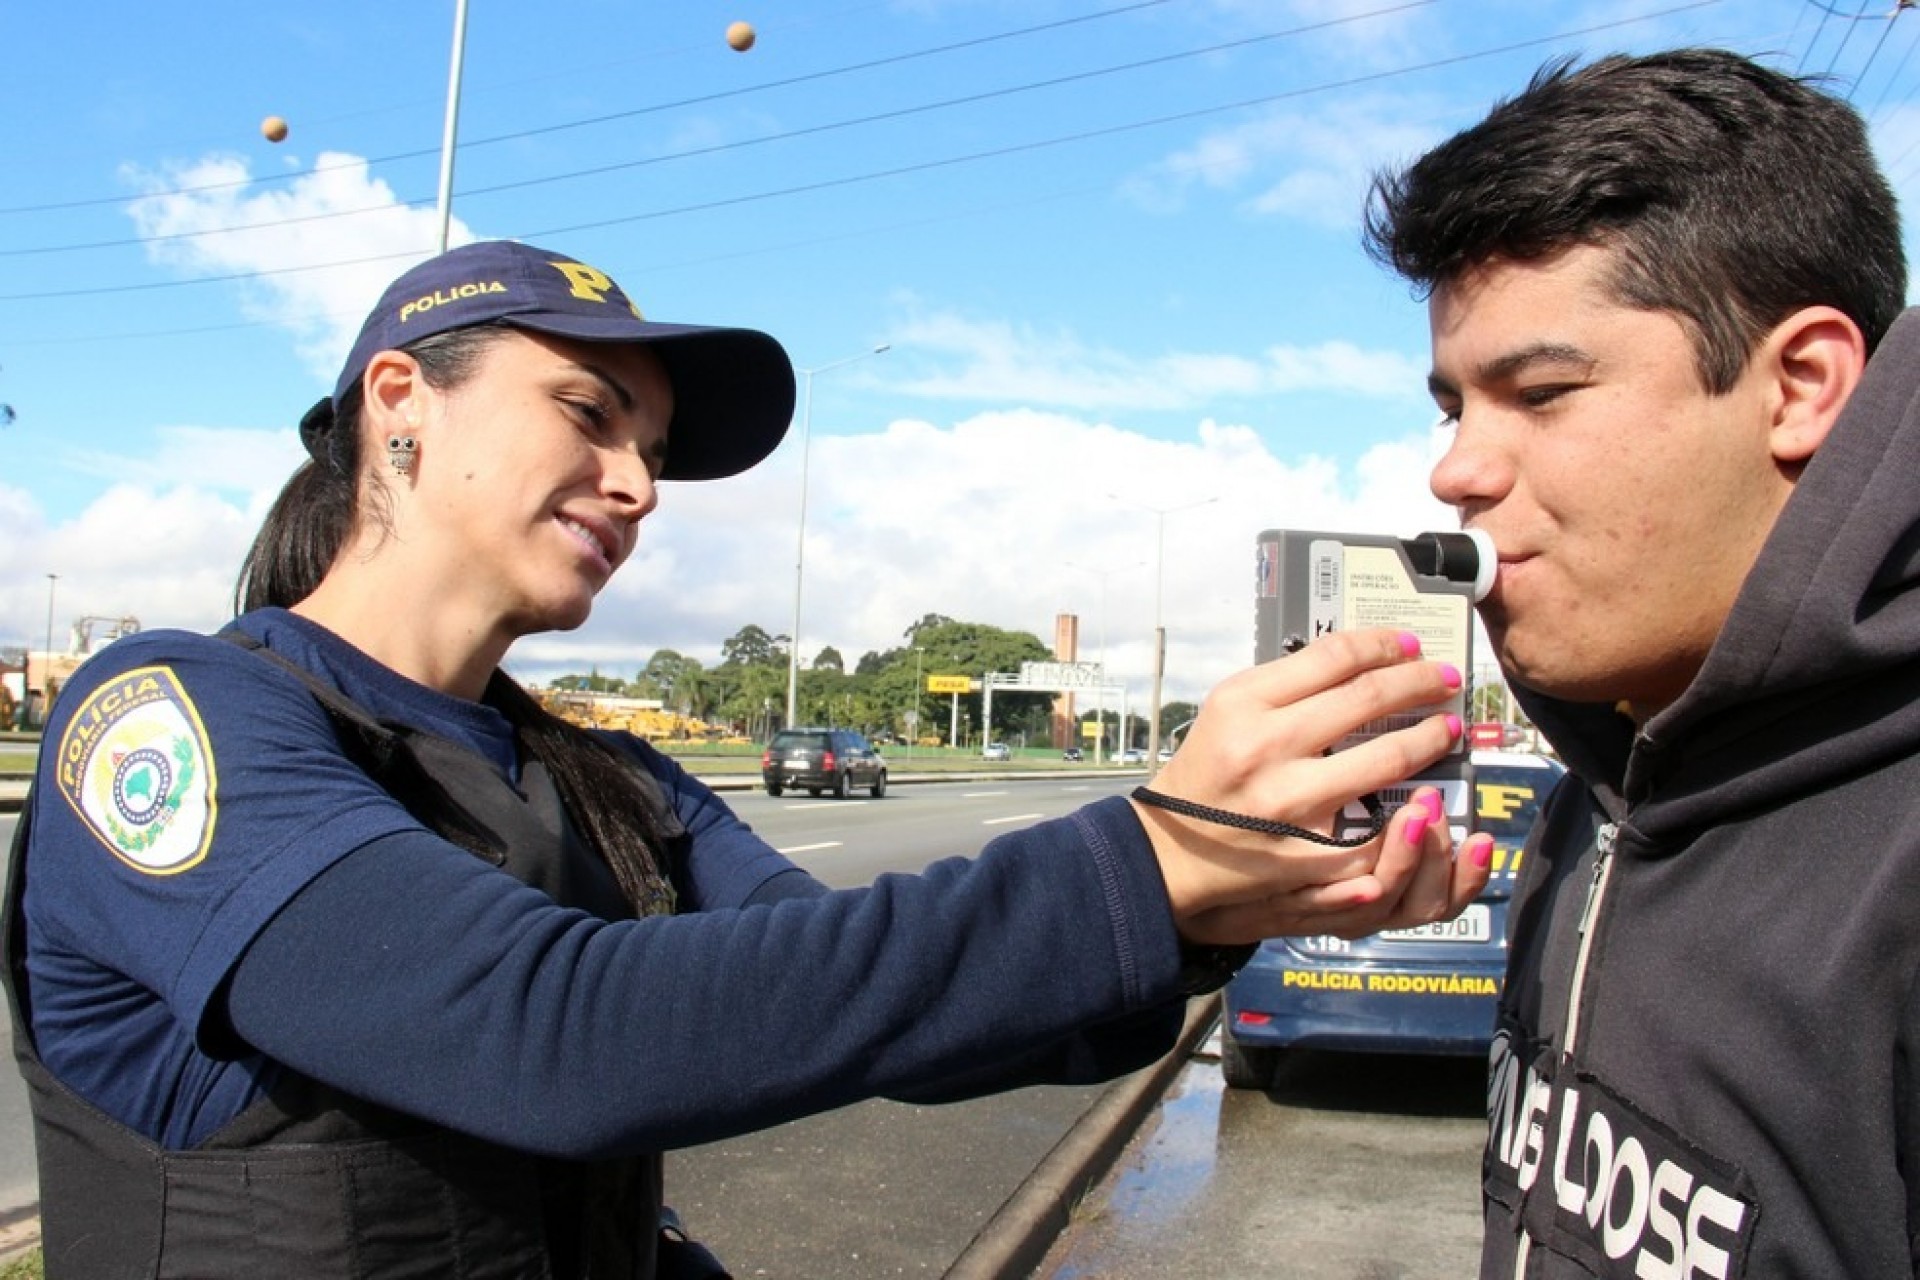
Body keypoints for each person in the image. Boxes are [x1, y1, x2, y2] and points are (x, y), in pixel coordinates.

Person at [2, 238, 1491, 1279]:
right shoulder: (174, 718)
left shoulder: (612, 780)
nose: (639, 485)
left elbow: (857, 993)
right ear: (401, 401)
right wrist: (1140, 852)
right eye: (590, 415)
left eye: (649, 445)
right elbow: (552, 1034)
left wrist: (1208, 903)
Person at [1363, 47, 1916, 1276]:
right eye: (1454, 405)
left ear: (1803, 385)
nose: (1454, 469)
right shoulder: (1592, 794)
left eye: (1544, 391)